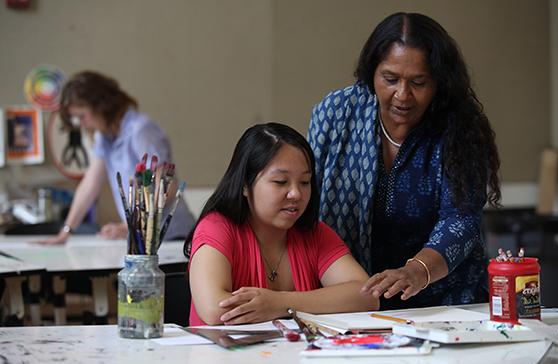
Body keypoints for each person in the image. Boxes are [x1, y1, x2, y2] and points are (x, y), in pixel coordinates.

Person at [308, 12, 501, 310]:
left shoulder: (460, 129)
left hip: (446, 304)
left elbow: (460, 219)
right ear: (371, 73)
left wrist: (416, 271)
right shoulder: (336, 113)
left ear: (439, 81)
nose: (402, 95)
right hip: (355, 300)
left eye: (419, 82)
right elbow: (308, 201)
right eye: (390, 79)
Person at [185, 123, 378, 326]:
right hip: (225, 357)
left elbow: (367, 295)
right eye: (280, 181)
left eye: (305, 182)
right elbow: (214, 309)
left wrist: (280, 302)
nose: (296, 193)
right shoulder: (217, 227)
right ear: (244, 184)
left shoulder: (314, 232)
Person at [41, 71, 195, 244]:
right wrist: (65, 232)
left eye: (82, 116)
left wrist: (127, 225)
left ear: (100, 105)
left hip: (172, 236)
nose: (82, 124)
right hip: (144, 240)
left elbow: (167, 187)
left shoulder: (140, 130)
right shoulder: (104, 137)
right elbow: (89, 185)